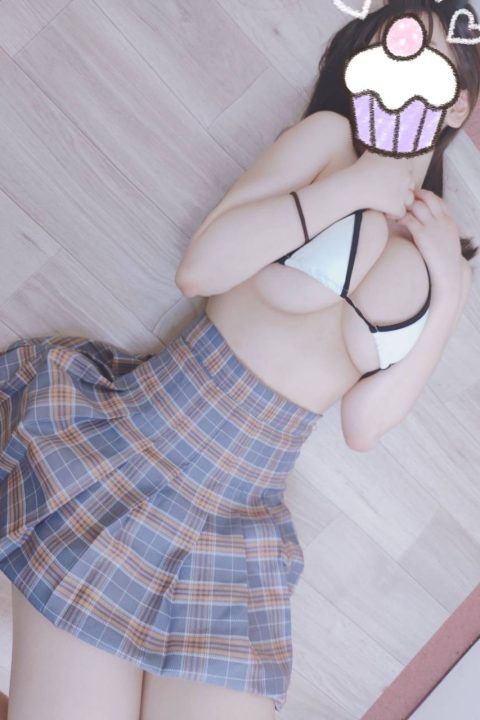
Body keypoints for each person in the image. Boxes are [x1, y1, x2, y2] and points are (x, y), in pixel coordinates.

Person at [0, 1, 478, 719]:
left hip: (239, 520)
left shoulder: (437, 251)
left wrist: (451, 295)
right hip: (137, 457)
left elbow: (363, 425)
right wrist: (352, 187)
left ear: (457, 106)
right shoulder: (327, 142)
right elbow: (201, 269)